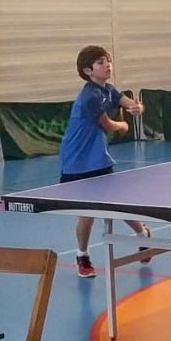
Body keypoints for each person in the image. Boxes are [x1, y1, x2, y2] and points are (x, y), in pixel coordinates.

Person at [62, 45, 150, 278]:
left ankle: (143, 234)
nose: (107, 65)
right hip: (76, 159)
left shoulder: (108, 90)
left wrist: (137, 108)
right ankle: (82, 256)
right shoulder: (89, 96)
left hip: (98, 158)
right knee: (87, 212)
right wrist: (123, 124)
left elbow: (129, 103)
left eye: (108, 60)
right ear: (88, 71)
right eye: (101, 62)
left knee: (116, 202)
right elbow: (109, 125)